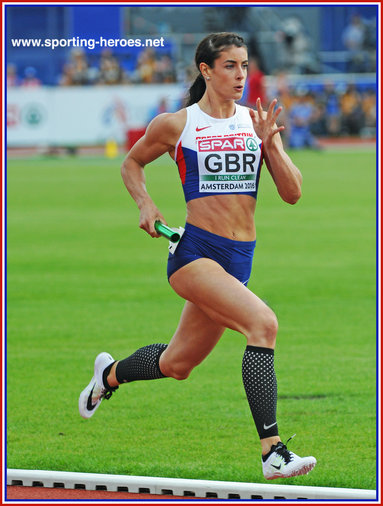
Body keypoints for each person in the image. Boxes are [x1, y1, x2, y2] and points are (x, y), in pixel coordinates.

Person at [79, 32, 317, 481]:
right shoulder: (177, 124)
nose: (240, 75)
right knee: (262, 324)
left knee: (177, 364)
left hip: (239, 259)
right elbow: (132, 163)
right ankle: (273, 451)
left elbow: (293, 193)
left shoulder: (256, 122)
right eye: (230, 66)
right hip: (194, 255)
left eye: (244, 66)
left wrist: (270, 146)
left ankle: (108, 377)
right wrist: (146, 204)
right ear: (205, 70)